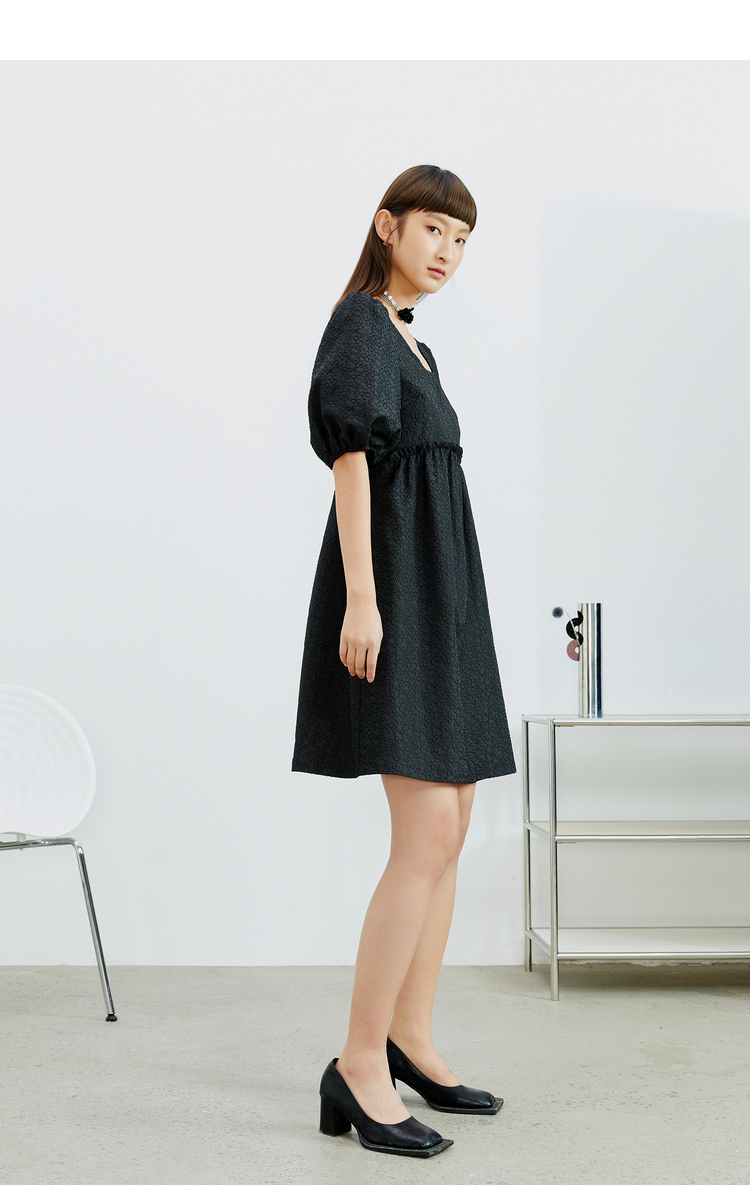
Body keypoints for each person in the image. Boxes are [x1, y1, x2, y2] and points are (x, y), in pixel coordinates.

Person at [291, 164, 516, 1158]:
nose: (447, 252)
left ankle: (411, 1037)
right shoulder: (361, 325)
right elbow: (352, 465)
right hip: (395, 599)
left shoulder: (415, 343)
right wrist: (364, 600)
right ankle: (358, 1063)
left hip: (444, 602)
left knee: (452, 823)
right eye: (433, 229)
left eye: (461, 240)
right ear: (386, 225)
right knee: (424, 833)